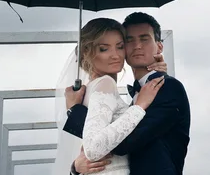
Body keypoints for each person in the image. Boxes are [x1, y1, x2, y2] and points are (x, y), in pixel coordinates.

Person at [64, 12, 191, 175]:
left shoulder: (167, 88)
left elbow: (123, 143)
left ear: (159, 46)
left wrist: (74, 111)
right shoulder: (138, 94)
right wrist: (75, 168)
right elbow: (107, 136)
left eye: (144, 39)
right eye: (129, 40)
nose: (137, 46)